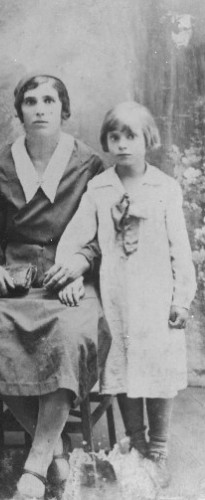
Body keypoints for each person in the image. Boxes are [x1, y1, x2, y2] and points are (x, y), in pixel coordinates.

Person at [0, 74, 110, 499]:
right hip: (15, 278)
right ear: (19, 111)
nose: (40, 108)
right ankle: (54, 449)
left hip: (68, 280)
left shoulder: (89, 163)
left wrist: (81, 262)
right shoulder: (2, 165)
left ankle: (36, 464)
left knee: (70, 336)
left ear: (64, 110)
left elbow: (102, 231)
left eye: (49, 100)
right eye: (30, 101)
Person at [55, 101, 196, 489]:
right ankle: (136, 445)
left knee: (158, 373)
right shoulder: (100, 188)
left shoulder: (164, 187)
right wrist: (70, 275)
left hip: (156, 299)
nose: (121, 144)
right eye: (114, 137)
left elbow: (179, 250)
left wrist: (181, 299)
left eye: (130, 135)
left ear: (148, 138)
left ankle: (159, 450)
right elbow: (75, 238)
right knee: (124, 371)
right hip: (116, 299)